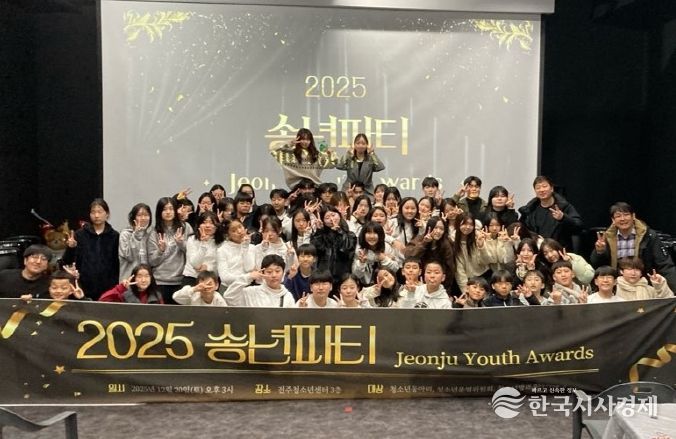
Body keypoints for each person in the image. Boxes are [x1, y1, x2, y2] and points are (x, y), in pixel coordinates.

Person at [590, 202, 676, 292]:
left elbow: (665, 265)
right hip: (617, 287)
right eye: (618, 216)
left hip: (644, 285)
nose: (622, 219)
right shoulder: (607, 237)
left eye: (626, 215)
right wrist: (600, 251)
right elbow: (596, 265)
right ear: (613, 220)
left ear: (633, 216)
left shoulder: (649, 235)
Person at [63, 198, 119, 300]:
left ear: (107, 214)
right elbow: (67, 261)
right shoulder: (80, 234)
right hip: (84, 286)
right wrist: (71, 248)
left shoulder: (114, 236)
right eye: (93, 212)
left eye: (100, 212)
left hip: (108, 286)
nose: (96, 215)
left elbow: (117, 262)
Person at [518, 175, 583, 252]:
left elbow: (579, 226)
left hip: (559, 251)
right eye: (538, 188)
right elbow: (522, 229)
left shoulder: (564, 207)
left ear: (552, 188)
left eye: (544, 186)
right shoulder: (530, 210)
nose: (541, 190)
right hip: (538, 252)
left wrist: (563, 218)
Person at [148, 197, 190, 304]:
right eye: (164, 209)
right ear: (159, 212)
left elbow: (192, 254)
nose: (168, 212)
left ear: (175, 210)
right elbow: (152, 261)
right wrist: (161, 250)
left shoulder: (185, 227)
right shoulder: (154, 232)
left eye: (171, 209)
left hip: (180, 281)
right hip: (160, 281)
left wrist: (181, 243)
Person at [270, 128, 337, 188]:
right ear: (298, 139)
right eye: (303, 139)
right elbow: (273, 150)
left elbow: (331, 165)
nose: (305, 142)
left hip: (314, 188)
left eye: (308, 139)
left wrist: (330, 154)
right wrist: (289, 143)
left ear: (311, 141)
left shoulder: (316, 155)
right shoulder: (290, 154)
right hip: (297, 188)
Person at [223, 254, 295, 307]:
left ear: (283, 273)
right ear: (262, 273)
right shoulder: (252, 292)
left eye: (277, 271)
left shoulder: (287, 296)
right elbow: (229, 296)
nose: (274, 275)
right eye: (269, 272)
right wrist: (248, 277)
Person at [311, 206, 357, 287]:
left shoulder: (350, 235)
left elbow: (346, 250)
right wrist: (319, 231)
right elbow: (318, 250)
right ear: (323, 221)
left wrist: (339, 232)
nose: (331, 219)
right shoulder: (320, 234)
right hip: (324, 276)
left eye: (333, 215)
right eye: (327, 217)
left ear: (339, 215)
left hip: (343, 276)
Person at [404, 217, 455, 289]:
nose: (438, 231)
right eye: (435, 228)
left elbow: (450, 269)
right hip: (420, 281)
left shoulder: (446, 244)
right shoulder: (420, 238)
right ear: (429, 227)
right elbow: (409, 256)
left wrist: (446, 288)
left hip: (439, 283)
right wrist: (424, 243)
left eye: (441, 229)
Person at [352, 222, 401, 286]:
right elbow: (356, 275)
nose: (372, 236)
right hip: (366, 286)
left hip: (385, 285)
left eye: (375, 233)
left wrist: (384, 258)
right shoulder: (359, 250)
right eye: (369, 233)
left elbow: (395, 268)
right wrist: (361, 263)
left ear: (380, 235)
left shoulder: (386, 247)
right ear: (363, 235)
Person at [182, 211, 222, 286]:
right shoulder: (192, 239)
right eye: (204, 222)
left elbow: (221, 265)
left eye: (211, 223)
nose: (207, 226)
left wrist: (208, 268)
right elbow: (195, 264)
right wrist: (204, 244)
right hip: (192, 278)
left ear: (216, 226)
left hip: (211, 279)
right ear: (199, 225)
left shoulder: (221, 242)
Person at [118, 202, 152, 281]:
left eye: (146, 215)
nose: (143, 218)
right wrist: (136, 236)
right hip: (128, 279)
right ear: (133, 217)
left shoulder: (150, 235)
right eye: (139, 215)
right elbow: (129, 256)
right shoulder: (125, 234)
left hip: (145, 281)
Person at [99, 263, 163, 304]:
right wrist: (121, 287)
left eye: (146, 276)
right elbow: (102, 300)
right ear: (134, 278)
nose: (143, 280)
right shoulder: (125, 294)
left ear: (151, 278)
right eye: (139, 277)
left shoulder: (157, 295)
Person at [20, 269, 85, 302]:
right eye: (54, 288)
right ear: (49, 288)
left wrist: (82, 298)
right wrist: (25, 301)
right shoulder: (40, 300)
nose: (58, 291)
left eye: (64, 288)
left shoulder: (77, 304)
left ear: (71, 291)